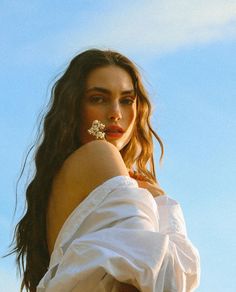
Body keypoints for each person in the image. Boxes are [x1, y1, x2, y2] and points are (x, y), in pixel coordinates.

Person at [11, 49, 200, 291]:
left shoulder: (62, 180)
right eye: (98, 98)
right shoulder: (99, 154)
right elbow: (156, 277)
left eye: (127, 100)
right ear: (74, 107)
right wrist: (163, 204)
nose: (115, 113)